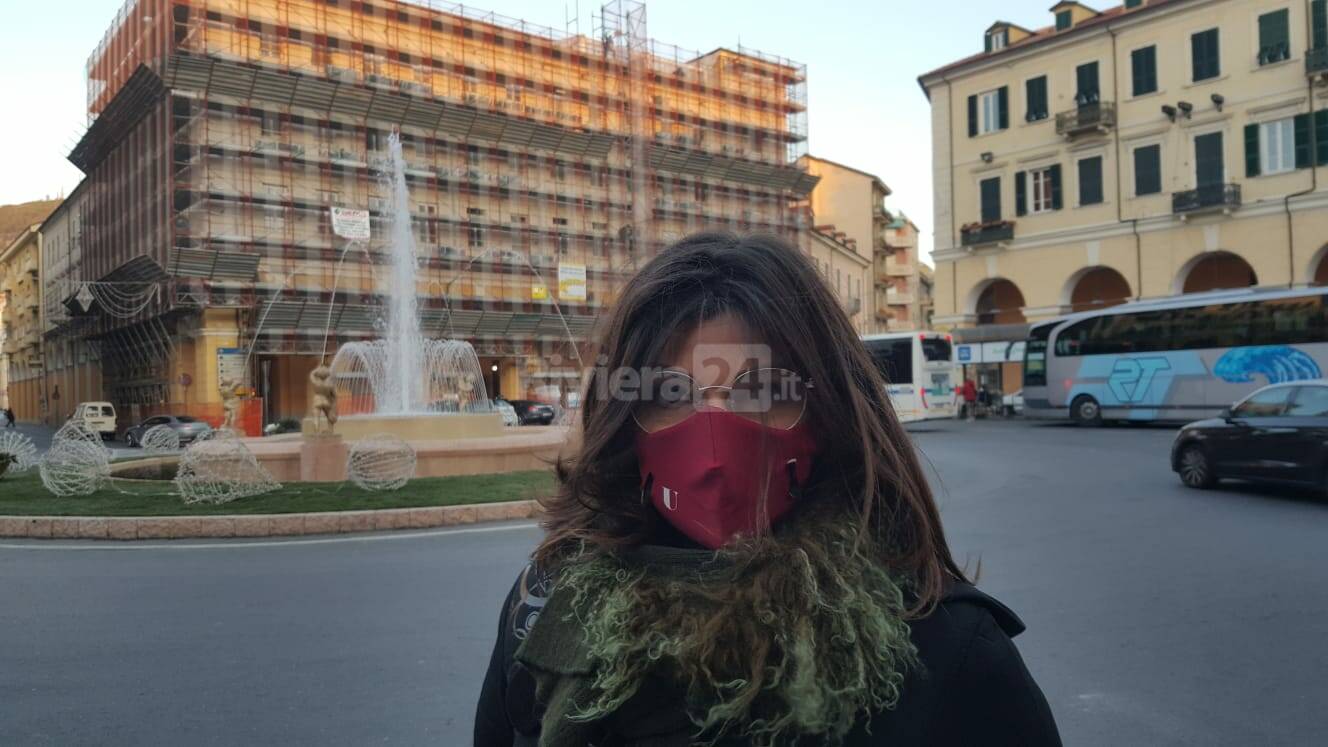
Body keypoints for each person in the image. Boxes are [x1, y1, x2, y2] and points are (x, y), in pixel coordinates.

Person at [474, 233, 1060, 746]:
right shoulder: (546, 607)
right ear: (624, 421)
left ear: (832, 411)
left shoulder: (946, 652)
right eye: (671, 396)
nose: (715, 437)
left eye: (765, 391)